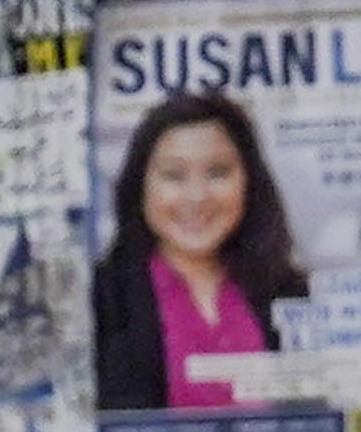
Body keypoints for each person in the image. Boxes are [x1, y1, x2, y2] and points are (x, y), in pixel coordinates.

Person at [95, 90, 307, 414]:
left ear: (248, 182)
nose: (197, 196)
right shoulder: (102, 297)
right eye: (174, 175)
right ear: (140, 186)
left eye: (218, 173)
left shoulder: (291, 291)